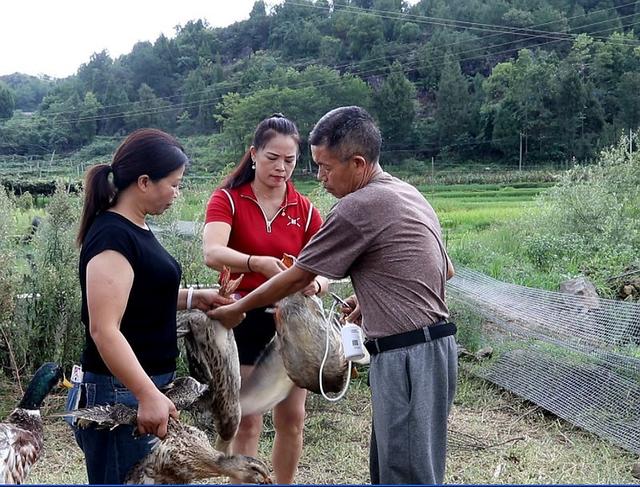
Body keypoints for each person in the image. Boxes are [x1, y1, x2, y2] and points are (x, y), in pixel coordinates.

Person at [210, 106, 457, 485]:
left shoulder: (356, 206)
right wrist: (372, 298)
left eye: (325, 167)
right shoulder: (405, 191)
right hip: (432, 349)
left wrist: (238, 308)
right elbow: (445, 269)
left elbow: (298, 277)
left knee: (407, 473)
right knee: (397, 465)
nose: (319, 177)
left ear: (357, 163)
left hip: (407, 354)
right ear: (255, 154)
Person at [66, 128, 236, 484]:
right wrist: (146, 394)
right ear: (144, 182)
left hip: (141, 386)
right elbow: (104, 329)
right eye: (174, 184)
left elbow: (138, 296)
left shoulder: (135, 227)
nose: (178, 193)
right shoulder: (112, 236)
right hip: (120, 393)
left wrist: (193, 298)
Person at [202, 113, 329, 484]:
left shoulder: (304, 209)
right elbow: (212, 252)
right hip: (243, 316)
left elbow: (326, 267)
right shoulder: (228, 199)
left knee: (292, 419)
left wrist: (316, 285)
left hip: (292, 320)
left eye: (290, 160)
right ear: (254, 154)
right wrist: (255, 262)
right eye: (273, 158)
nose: (281, 168)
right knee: (248, 418)